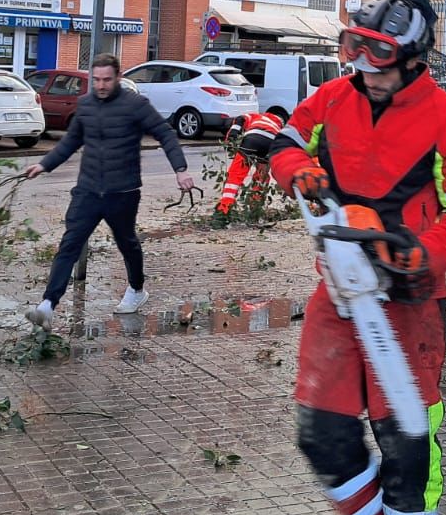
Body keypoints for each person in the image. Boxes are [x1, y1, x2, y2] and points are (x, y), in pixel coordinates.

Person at [269, 0, 446, 515]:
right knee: (321, 433)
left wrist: (421, 254)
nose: (365, 68)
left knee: (407, 452)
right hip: (339, 290)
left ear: (413, 59)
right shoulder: (334, 98)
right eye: (358, 51)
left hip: (410, 302)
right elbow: (286, 142)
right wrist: (301, 174)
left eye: (380, 57)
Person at [23, 53, 196, 327]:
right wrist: (44, 165)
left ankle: (137, 290)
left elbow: (165, 134)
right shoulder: (86, 105)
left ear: (118, 78)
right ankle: (48, 305)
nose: (101, 85)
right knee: (70, 244)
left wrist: (181, 169)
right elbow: (70, 142)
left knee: (126, 242)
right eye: (96, 80)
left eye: (106, 80)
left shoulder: (136, 105)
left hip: (123, 192)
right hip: (88, 190)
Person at [216, 110, 284, 215]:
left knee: (235, 176)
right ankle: (255, 206)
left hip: (252, 139)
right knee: (262, 176)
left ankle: (224, 208)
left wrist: (231, 137)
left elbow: (240, 119)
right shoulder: (278, 125)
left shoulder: (254, 116)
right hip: (271, 143)